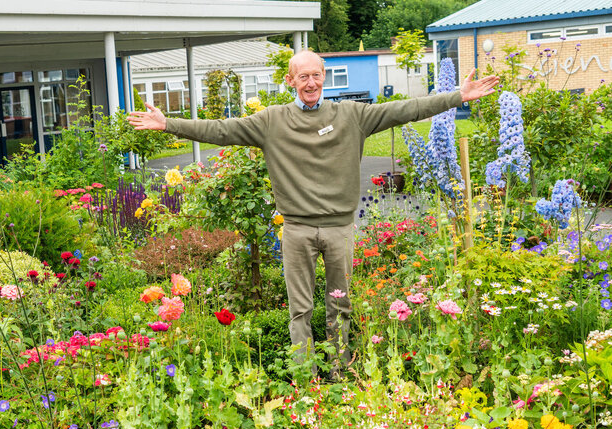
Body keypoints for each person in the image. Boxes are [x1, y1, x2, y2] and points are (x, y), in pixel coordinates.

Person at [128, 50, 499, 374]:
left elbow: (406, 109)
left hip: (339, 229)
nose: (310, 82)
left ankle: (339, 369)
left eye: (316, 75)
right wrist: (168, 124)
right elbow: (221, 130)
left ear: (324, 77)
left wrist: (456, 97)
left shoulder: (352, 115)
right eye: (302, 76)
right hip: (297, 230)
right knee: (299, 308)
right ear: (290, 81)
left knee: (340, 304)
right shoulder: (271, 121)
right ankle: (304, 373)